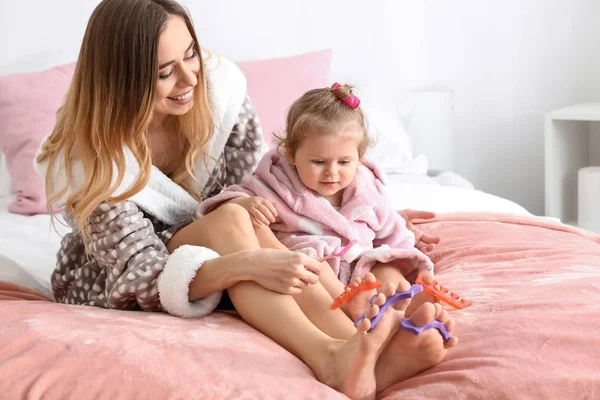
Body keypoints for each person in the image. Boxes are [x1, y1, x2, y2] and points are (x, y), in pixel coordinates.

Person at [35, 0, 456, 398]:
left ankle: (356, 348)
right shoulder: (92, 163)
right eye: (165, 72)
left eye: (191, 54)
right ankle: (333, 354)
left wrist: (353, 214)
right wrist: (242, 263)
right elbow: (141, 276)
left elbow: (262, 195)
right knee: (232, 219)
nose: (190, 79)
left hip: (225, 240)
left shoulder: (219, 96)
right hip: (138, 278)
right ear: (123, 81)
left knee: (242, 215)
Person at [197, 83, 437, 319]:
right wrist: (244, 204)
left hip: (360, 266)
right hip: (315, 273)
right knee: (314, 266)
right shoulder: (275, 185)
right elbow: (221, 209)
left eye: (344, 162)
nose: (331, 173)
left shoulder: (369, 190)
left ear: (359, 157)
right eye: (319, 162)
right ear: (291, 154)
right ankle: (352, 310)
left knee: (387, 267)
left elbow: (393, 231)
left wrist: (406, 256)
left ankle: (407, 304)